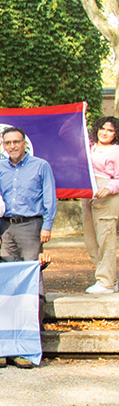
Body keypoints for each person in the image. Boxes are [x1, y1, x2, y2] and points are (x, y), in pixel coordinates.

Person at [0, 126, 55, 309]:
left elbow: (50, 197)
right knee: (7, 270)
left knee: (32, 270)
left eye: (16, 142)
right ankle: (12, 313)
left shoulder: (40, 165)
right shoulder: (0, 168)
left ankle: (37, 316)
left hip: (30, 225)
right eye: (8, 143)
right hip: (5, 226)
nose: (12, 146)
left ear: (24, 144)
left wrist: (47, 225)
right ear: (3, 146)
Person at [0, 232, 45, 369]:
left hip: (10, 305)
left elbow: (28, 272)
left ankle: (19, 352)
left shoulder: (11, 263)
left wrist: (43, 264)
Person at [83, 117, 119, 294]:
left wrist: (110, 189)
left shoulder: (116, 151)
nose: (105, 133)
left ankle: (105, 282)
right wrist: (80, 117)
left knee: (106, 237)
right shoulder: (90, 146)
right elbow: (65, 133)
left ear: (116, 134)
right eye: (102, 128)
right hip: (87, 192)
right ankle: (108, 276)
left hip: (106, 193)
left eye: (110, 130)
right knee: (91, 239)